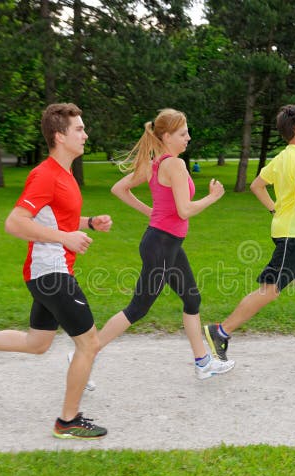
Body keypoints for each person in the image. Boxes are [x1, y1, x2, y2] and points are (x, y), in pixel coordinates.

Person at [0, 103, 112, 440]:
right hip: (52, 272)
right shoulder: (45, 175)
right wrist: (66, 238)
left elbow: (58, 218)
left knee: (37, 343)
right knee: (89, 343)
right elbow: (15, 222)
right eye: (79, 129)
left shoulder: (65, 176)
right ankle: (68, 420)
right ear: (60, 136)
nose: (85, 134)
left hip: (46, 273)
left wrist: (89, 223)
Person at [95, 108, 235, 381]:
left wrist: (151, 212)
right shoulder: (174, 165)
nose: (189, 138)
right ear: (167, 136)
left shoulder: (155, 163)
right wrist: (213, 197)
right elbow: (184, 210)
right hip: (161, 244)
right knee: (138, 308)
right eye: (183, 134)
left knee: (192, 298)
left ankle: (203, 362)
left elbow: (118, 189)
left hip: (164, 243)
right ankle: (87, 352)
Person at [203, 101, 295, 363]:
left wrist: (275, 210)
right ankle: (220, 332)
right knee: (270, 290)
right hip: (292, 235)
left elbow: (257, 185)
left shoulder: (281, 158)